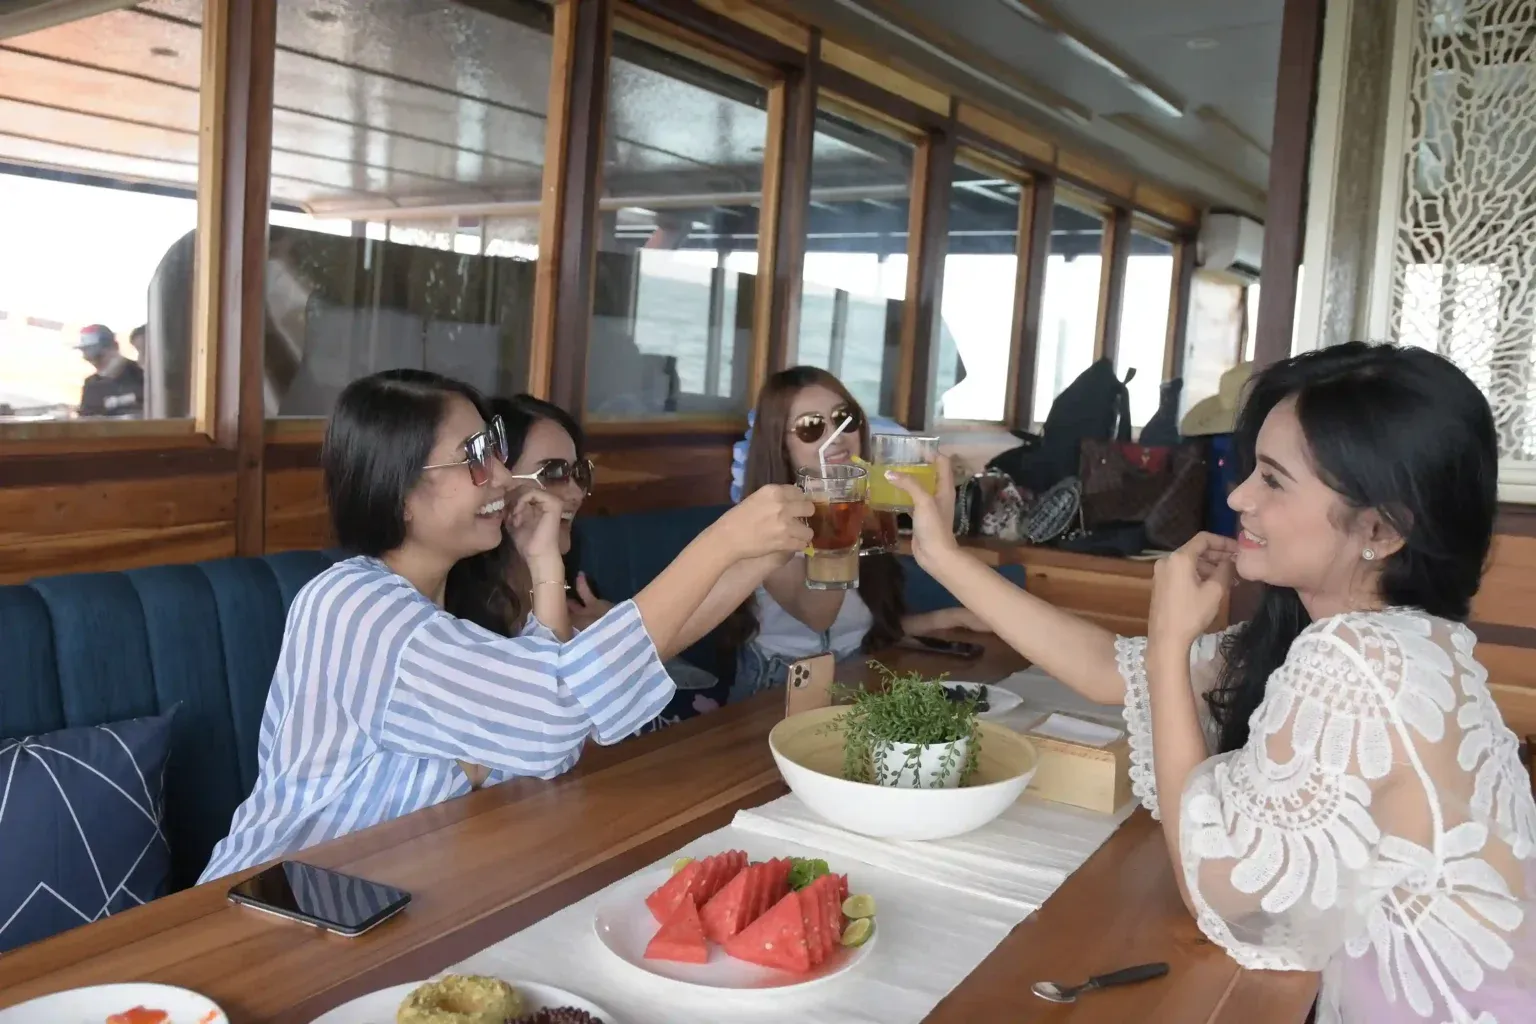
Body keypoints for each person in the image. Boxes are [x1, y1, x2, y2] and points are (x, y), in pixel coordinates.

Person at [893, 343, 1535, 1024]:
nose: (1237, 497)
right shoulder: (1390, 638)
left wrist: (1170, 640)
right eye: (1252, 467)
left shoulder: (1360, 659)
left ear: (1379, 528)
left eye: (1274, 480)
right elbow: (1112, 671)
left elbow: (1224, 897)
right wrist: (942, 555)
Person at [200, 370, 811, 880]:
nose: (498, 474)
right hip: (257, 907)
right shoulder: (354, 607)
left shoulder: (429, 614)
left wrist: (547, 563)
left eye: (492, 449)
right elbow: (556, 710)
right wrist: (723, 540)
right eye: (473, 457)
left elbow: (548, 706)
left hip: (373, 895)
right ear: (399, 491)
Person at [724, 366, 988, 703]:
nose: (835, 436)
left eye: (843, 418)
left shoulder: (868, 505)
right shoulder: (769, 522)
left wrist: (948, 618)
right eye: (811, 427)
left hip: (856, 669)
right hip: (781, 683)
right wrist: (842, 508)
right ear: (781, 446)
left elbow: (858, 629)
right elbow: (820, 617)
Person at [486, 394, 736, 726]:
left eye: (578, 473)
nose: (576, 493)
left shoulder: (581, 594)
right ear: (496, 484)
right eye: (554, 472)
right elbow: (547, 721)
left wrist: (611, 632)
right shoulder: (467, 625)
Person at [75, 324, 144, 418]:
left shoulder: (141, 374)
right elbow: (86, 419)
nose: (94, 362)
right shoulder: (91, 385)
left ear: (115, 347)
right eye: (88, 356)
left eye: (98, 355)